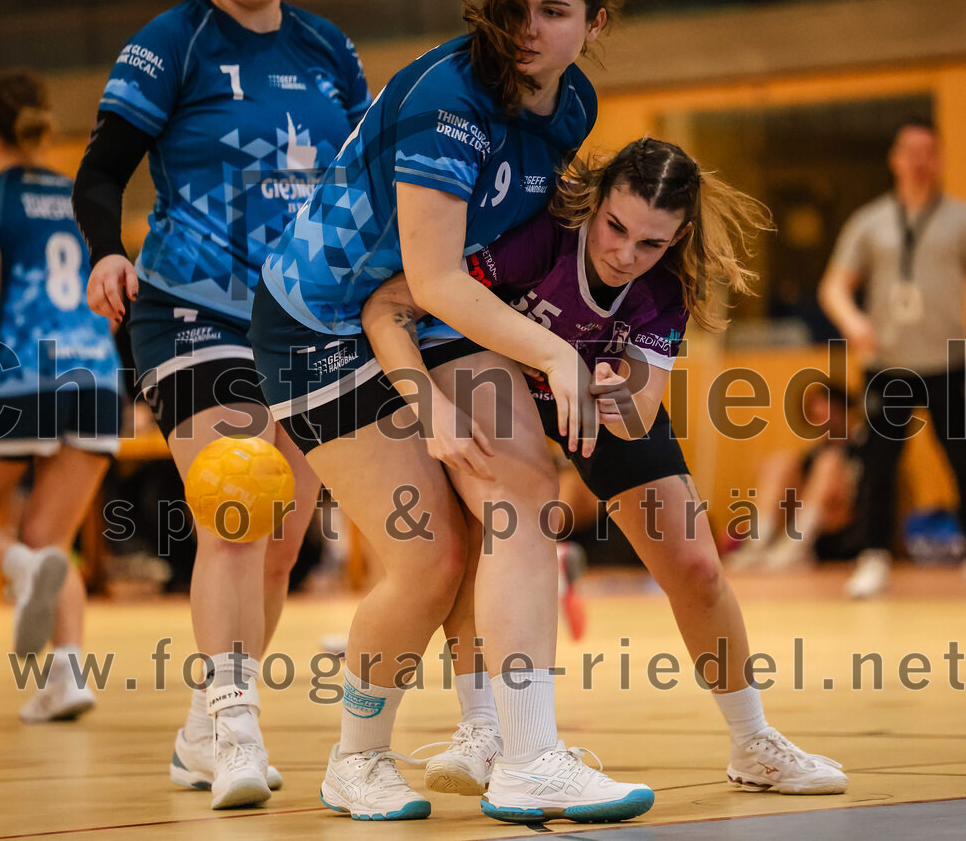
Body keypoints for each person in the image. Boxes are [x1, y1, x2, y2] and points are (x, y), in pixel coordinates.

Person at [251, 0, 656, 824]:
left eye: (554, 12)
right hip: (319, 326)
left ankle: (519, 751)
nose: (528, 30)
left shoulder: (570, 104)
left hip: (427, 309)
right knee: (429, 557)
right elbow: (430, 281)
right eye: (517, 8)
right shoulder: (449, 103)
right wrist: (551, 358)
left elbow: (504, 255)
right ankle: (355, 761)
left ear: (595, 22)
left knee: (520, 495)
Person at [362, 138, 849, 798]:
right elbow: (392, 306)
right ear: (594, 204)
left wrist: (619, 395)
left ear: (675, 242)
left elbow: (637, 410)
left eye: (650, 243)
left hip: (589, 398)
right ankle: (486, 729)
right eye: (615, 227)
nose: (624, 253)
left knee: (699, 567)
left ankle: (754, 740)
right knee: (497, 531)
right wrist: (426, 405)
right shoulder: (539, 240)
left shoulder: (668, 283)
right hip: (495, 377)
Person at [73, 0, 370, 809]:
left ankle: (203, 726)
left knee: (280, 542)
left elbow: (362, 180)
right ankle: (239, 729)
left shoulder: (327, 49)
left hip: (304, 316)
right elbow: (100, 171)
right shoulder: (174, 40)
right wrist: (105, 248)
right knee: (235, 507)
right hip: (191, 309)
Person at [0, 69, 120, 723]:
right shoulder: (81, 196)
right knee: (53, 535)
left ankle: (15, 569)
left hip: (26, 375)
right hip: (98, 378)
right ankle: (67, 677)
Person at [818, 118, 966, 599]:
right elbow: (834, 286)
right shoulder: (870, 222)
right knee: (878, 463)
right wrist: (853, 322)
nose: (919, 160)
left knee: (962, 457)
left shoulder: (959, 219)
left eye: (929, 151)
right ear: (895, 159)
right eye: (910, 151)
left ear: (938, 157)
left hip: (950, 361)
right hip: (888, 364)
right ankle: (874, 557)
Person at [729, 382, 865, 571]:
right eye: (815, 407)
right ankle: (757, 542)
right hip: (806, 524)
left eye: (825, 405)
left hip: (845, 529)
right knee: (780, 463)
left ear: (841, 407)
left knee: (829, 462)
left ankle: (796, 547)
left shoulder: (863, 446)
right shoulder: (815, 453)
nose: (819, 411)